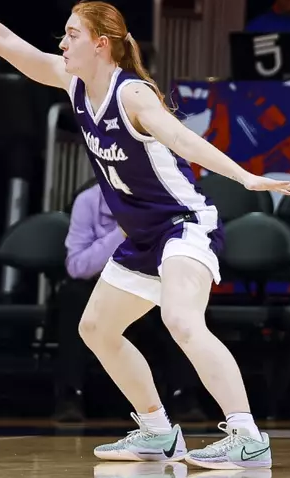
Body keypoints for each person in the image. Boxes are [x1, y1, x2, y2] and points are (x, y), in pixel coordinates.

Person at [0, 0, 290, 468]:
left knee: (182, 320)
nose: (62, 42)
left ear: (101, 44)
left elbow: (182, 139)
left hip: (184, 225)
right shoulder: (72, 84)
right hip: (142, 238)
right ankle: (159, 432)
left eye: (72, 34)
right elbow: (3, 41)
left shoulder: (133, 95)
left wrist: (243, 176)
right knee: (95, 328)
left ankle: (248, 436)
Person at [57, 180, 202, 424]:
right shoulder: (87, 202)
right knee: (71, 297)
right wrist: (122, 233)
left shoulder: (161, 199)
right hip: (100, 286)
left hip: (149, 282)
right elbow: (76, 266)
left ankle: (183, 397)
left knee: (179, 298)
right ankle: (70, 396)